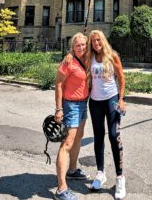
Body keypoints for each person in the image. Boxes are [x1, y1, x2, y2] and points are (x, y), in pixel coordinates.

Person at [87, 29, 126, 200]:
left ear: (103, 40)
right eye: (93, 41)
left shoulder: (113, 56)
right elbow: (75, 55)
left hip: (111, 99)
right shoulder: (90, 57)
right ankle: (100, 173)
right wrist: (67, 57)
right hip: (95, 102)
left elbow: (121, 77)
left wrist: (121, 99)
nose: (96, 44)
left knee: (113, 135)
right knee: (98, 137)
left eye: (98, 40)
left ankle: (119, 177)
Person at [54, 32, 90, 200]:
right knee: (67, 143)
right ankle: (61, 189)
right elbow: (59, 85)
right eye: (77, 45)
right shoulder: (67, 62)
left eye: (83, 44)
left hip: (84, 104)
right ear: (72, 48)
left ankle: (72, 170)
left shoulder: (87, 59)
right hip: (71, 105)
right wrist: (59, 109)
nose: (81, 47)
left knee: (78, 139)